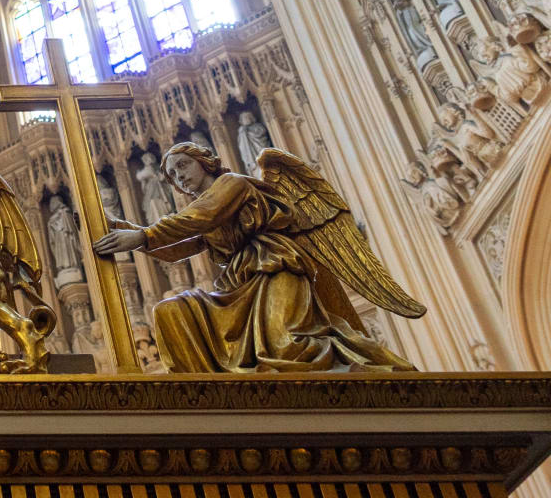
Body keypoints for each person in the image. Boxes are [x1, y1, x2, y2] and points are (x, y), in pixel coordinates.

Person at [92, 142, 420, 373]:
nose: (180, 177)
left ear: (204, 162)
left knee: (287, 346)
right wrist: (121, 228)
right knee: (170, 311)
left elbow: (202, 217)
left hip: (275, 268)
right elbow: (182, 248)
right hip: (239, 285)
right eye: (173, 176)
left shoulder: (231, 184)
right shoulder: (204, 207)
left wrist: (143, 234)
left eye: (183, 166)